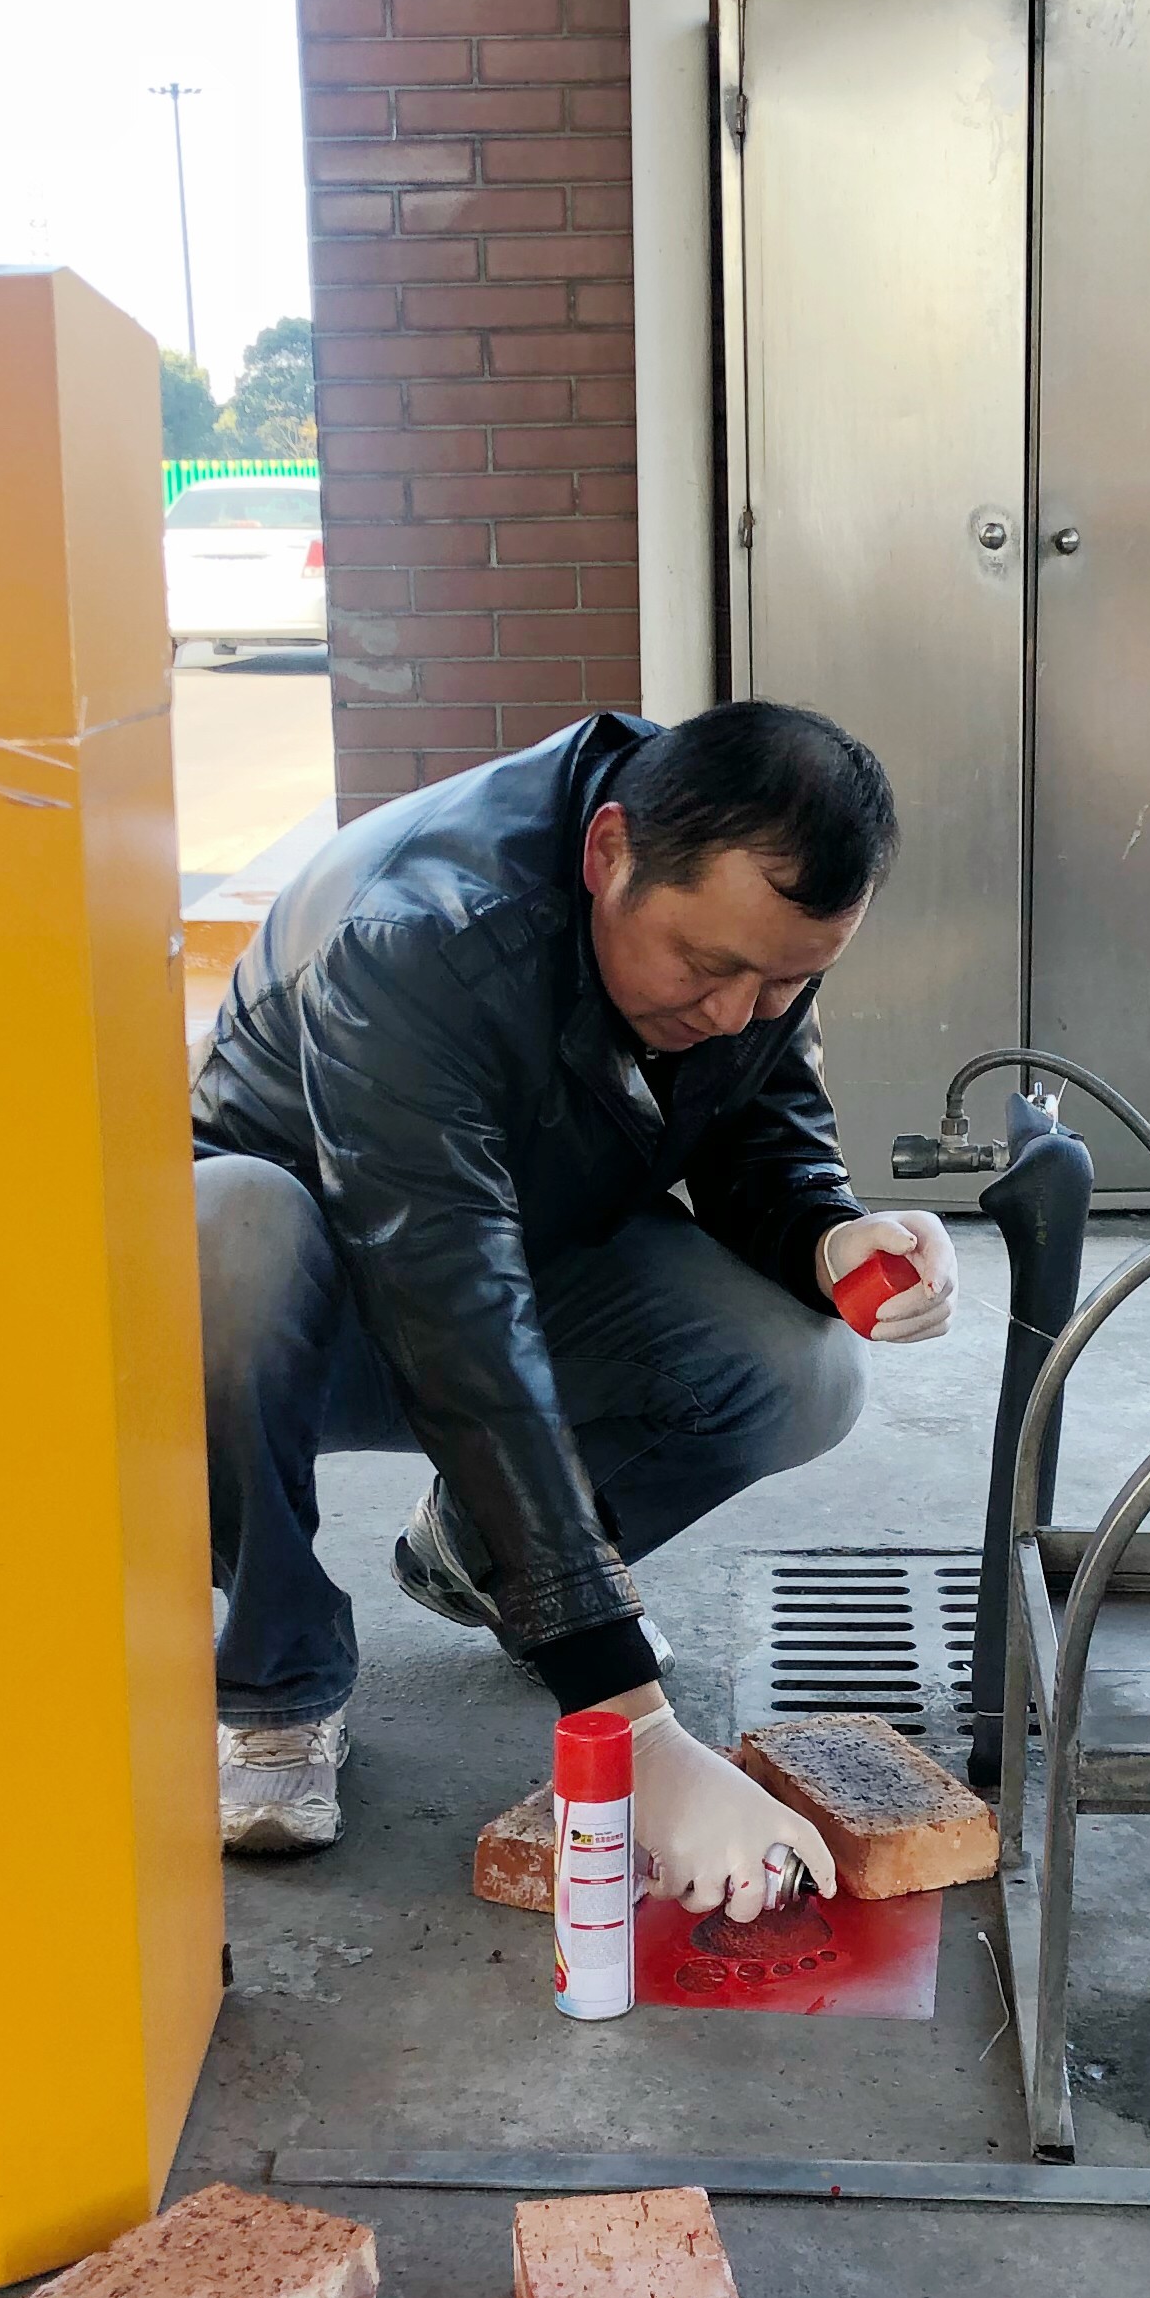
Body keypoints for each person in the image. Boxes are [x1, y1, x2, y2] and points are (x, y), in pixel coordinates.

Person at [187, 700, 955, 1918]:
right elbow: (452, 1306)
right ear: (608, 854)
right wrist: (626, 1715)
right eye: (708, 968)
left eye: (788, 981)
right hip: (317, 1304)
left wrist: (825, 1231)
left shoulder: (732, 920)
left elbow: (760, 1123)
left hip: (516, 1255)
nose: (736, 1013)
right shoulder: (415, 938)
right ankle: (278, 1680)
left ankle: (485, 1556)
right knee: (226, 1233)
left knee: (799, 1368)